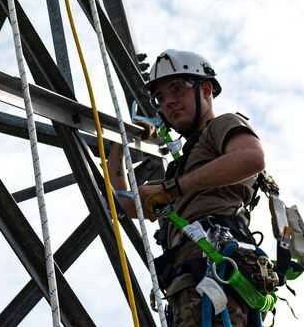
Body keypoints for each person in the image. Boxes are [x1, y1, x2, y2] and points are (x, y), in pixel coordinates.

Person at [108, 49, 267, 326]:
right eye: (160, 97)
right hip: (188, 276)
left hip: (214, 267)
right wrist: (119, 147)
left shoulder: (223, 124)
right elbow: (130, 205)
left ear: (205, 89)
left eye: (177, 88)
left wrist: (174, 188)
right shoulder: (182, 168)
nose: (168, 101)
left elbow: (251, 157)